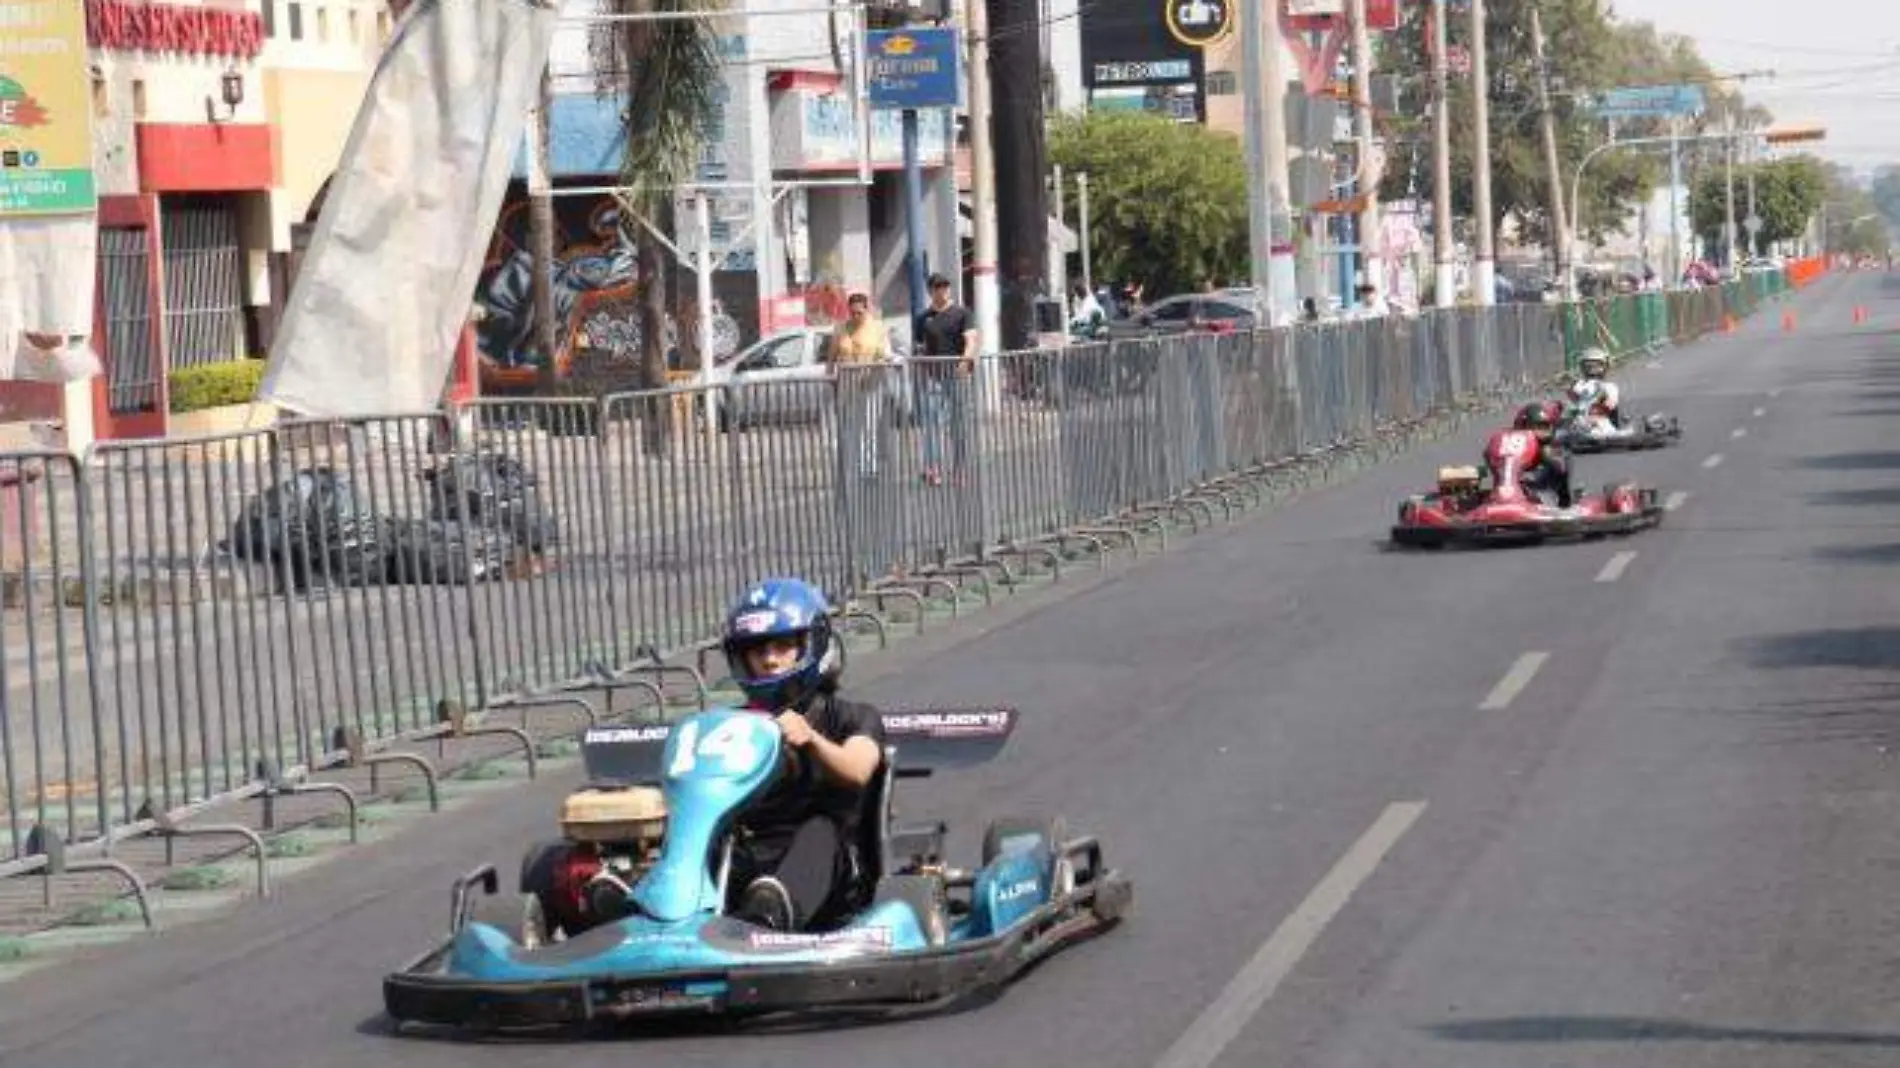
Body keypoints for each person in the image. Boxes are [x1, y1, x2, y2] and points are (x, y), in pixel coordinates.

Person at [721, 578, 886, 932]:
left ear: (812, 645)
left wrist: (810, 739)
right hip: (752, 854)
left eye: (782, 647)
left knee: (820, 827)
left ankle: (771, 913)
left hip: (832, 870)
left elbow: (858, 770)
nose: (769, 660)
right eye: (758, 650)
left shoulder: (853, 717)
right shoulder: (732, 726)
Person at [916, 273, 980, 486]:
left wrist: (965, 360)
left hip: (957, 375)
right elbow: (919, 348)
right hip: (933, 376)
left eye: (945, 286)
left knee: (958, 424)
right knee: (931, 423)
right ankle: (932, 468)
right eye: (937, 287)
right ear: (930, 291)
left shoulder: (962, 313)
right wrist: (918, 368)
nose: (942, 290)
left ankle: (960, 469)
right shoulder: (923, 318)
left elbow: (971, 340)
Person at [828, 292, 894, 477]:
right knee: (849, 425)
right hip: (847, 384)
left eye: (859, 313)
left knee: (869, 425)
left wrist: (884, 361)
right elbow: (832, 355)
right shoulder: (841, 328)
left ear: (867, 309)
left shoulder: (878, 328)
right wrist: (830, 377)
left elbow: (886, 353)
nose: (855, 316)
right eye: (852, 313)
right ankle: (850, 464)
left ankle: (868, 466)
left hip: (872, 383)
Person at [1497, 402, 1572, 508]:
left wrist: (1544, 456)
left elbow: (1561, 468)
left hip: (1543, 490)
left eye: (1543, 427)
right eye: (1531, 427)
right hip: (1510, 488)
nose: (1537, 431)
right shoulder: (1510, 442)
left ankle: (1560, 504)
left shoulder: (1551, 448)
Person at [1566, 347, 1622, 429]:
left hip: (1602, 423)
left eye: (1596, 366)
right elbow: (1573, 401)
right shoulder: (1578, 385)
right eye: (1588, 366)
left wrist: (1598, 407)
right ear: (1582, 367)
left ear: (1604, 367)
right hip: (1580, 422)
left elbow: (1610, 404)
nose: (1591, 369)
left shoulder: (1610, 387)